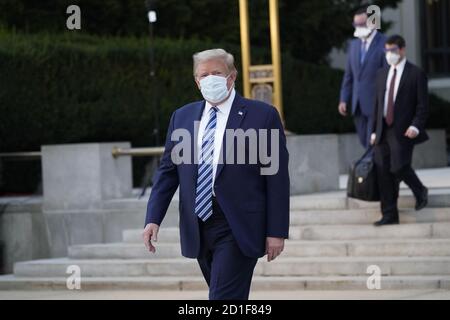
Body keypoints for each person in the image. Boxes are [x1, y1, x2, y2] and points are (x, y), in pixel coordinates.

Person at [142, 49, 290, 299]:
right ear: (197, 81)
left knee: (222, 297)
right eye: (204, 75)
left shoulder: (262, 115)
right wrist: (153, 218)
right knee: (228, 296)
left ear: (232, 77)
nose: (210, 79)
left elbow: (276, 178)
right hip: (198, 224)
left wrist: (277, 231)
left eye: (217, 73)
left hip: (239, 224)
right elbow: (168, 172)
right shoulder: (182, 117)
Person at [370, 35, 429, 226]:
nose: (390, 54)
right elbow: (377, 105)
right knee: (383, 173)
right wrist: (373, 130)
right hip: (382, 131)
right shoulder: (381, 74)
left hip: (403, 131)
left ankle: (420, 191)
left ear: (402, 50)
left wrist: (415, 126)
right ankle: (389, 215)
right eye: (387, 51)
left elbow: (422, 106)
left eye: (393, 50)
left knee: (398, 167)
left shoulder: (416, 73)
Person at [339, 5, 387, 149]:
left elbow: (387, 74)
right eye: (356, 24)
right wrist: (343, 98)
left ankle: (372, 169)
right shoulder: (354, 45)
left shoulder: (384, 42)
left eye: (361, 24)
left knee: (373, 141)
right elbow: (349, 75)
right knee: (364, 140)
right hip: (357, 104)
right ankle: (371, 167)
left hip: (375, 103)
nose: (358, 27)